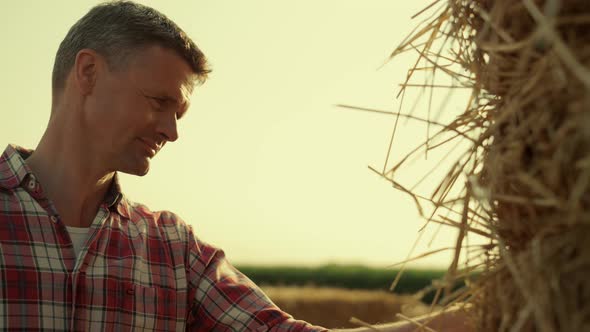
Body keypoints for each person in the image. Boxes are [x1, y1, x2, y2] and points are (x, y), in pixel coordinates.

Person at [0, 1, 472, 331]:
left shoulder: (173, 249)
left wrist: (475, 319)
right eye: (158, 102)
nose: (171, 131)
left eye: (178, 114)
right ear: (88, 73)